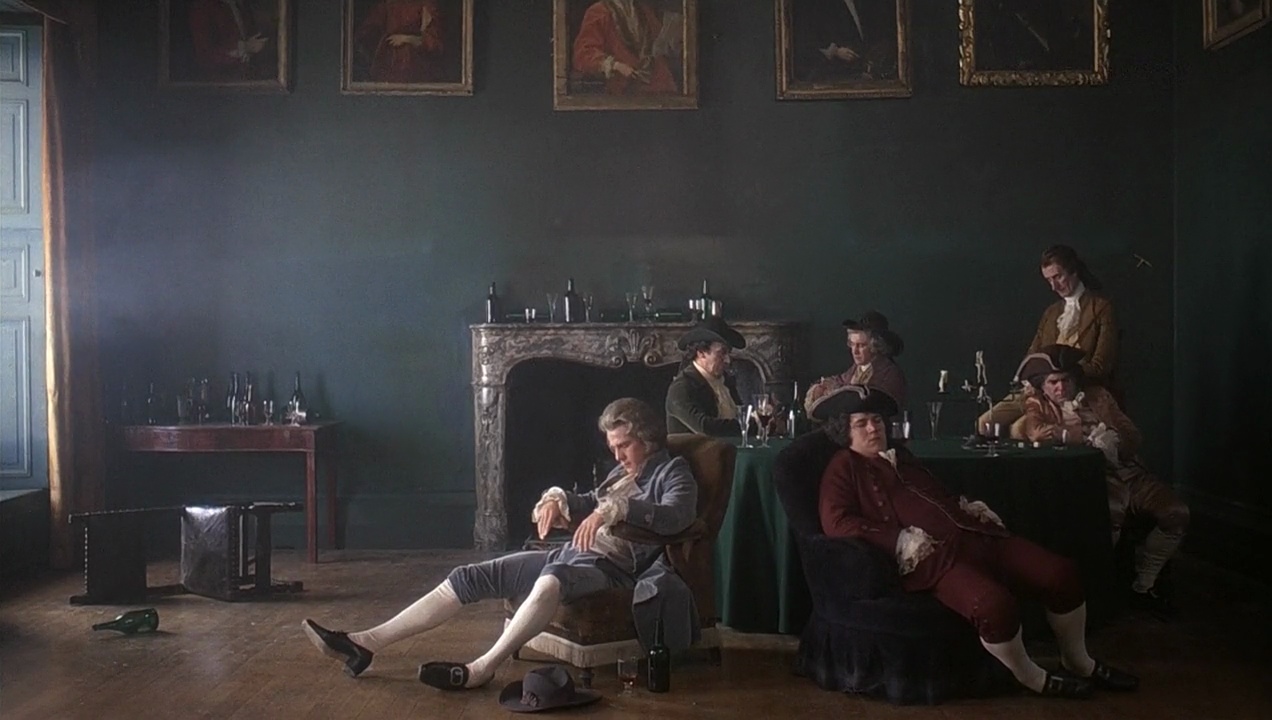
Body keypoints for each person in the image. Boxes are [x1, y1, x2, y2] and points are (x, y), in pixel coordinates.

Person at [302, 398, 699, 689]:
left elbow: (676, 517)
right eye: (612, 447)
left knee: (551, 580)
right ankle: (364, 644)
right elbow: (587, 501)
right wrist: (557, 500)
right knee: (471, 575)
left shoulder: (672, 472)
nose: (617, 454)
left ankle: (482, 668)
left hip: (610, 569)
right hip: (572, 554)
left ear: (647, 439)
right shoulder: (620, 474)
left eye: (624, 445)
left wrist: (614, 510)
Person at [813, 383, 1138, 699]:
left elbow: (934, 497)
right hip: (934, 559)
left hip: (976, 534)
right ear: (845, 431)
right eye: (862, 423)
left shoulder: (901, 455)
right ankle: (1032, 677)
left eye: (877, 420)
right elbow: (837, 522)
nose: (873, 428)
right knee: (994, 607)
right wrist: (898, 540)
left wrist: (966, 507)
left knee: (1061, 574)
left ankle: (1078, 661)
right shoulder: (843, 466)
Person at [1013, 344, 1189, 619]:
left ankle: (1143, 586)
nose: (1061, 388)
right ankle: (1096, 593)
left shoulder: (1098, 396)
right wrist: (1085, 439)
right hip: (1094, 478)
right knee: (1107, 521)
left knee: (1177, 513)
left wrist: (1115, 441)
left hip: (1130, 472)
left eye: (1066, 380)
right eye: (1053, 382)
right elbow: (1036, 433)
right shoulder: (1037, 403)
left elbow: (1133, 436)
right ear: (1042, 386)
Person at [981, 245, 1118, 429]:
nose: (1054, 287)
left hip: (1075, 391)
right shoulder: (1051, 313)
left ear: (1074, 271)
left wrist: (1065, 375)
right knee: (985, 423)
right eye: (1048, 280)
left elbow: (1101, 366)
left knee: (1019, 429)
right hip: (1041, 389)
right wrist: (1033, 380)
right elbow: (1032, 355)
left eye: (1058, 277)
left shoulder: (1101, 308)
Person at [805, 310, 908, 415]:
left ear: (876, 346)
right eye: (852, 344)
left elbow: (871, 404)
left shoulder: (890, 373)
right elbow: (839, 381)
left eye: (861, 345)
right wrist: (820, 388)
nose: (855, 351)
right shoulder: (856, 369)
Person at [571, 0, 681, 95]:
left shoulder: (643, 10)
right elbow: (583, 54)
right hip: (624, 89)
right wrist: (615, 65)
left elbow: (661, 44)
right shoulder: (598, 12)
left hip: (658, 85)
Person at [665, 316, 746, 436]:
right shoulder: (682, 387)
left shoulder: (725, 381)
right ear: (701, 352)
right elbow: (705, 427)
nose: (727, 360)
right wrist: (750, 425)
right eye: (722, 353)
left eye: (728, 353)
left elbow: (739, 414)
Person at [792, 0, 901, 83]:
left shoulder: (863, 5)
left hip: (861, 68)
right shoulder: (821, 5)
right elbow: (809, 39)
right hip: (835, 72)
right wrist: (836, 51)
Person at [353, 0, 446, 84]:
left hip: (416, 65)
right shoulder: (388, 4)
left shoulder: (427, 4)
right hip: (389, 62)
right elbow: (368, 29)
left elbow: (435, 44)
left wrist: (407, 39)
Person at [188, 0, 274, 82]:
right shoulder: (203, 7)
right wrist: (244, 47)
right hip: (218, 85)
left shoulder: (240, 6)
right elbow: (205, 56)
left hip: (247, 81)